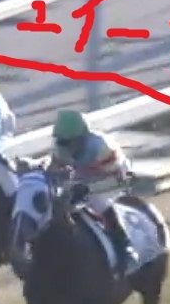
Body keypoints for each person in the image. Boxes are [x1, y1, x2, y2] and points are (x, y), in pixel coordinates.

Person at [50, 109, 138, 277]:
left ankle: (125, 248)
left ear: (83, 137)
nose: (66, 147)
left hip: (116, 175)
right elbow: (54, 173)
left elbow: (118, 179)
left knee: (98, 201)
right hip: (84, 178)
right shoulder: (60, 148)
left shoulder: (101, 147)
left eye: (70, 142)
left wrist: (88, 189)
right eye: (62, 142)